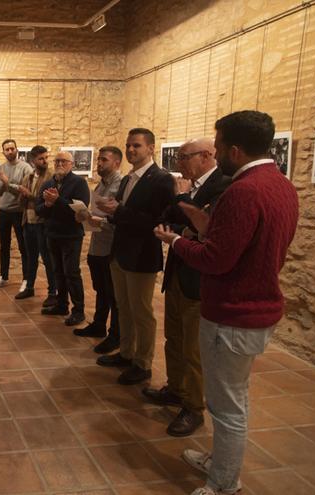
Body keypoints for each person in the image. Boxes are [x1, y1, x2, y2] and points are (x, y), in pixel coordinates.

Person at [153, 111, 298, 495]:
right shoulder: (281, 184)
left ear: (235, 149)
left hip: (234, 313)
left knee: (227, 407)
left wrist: (177, 243)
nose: (215, 154)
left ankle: (223, 483)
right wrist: (206, 226)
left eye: (217, 147)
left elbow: (215, 259)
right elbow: (255, 243)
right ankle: (219, 461)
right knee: (231, 397)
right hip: (256, 308)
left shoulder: (243, 190)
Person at [145, 138, 232, 437]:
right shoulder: (188, 186)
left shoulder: (222, 185)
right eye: (178, 156)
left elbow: (205, 226)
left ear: (207, 156)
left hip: (199, 278)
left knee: (194, 348)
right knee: (174, 337)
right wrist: (180, 217)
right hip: (179, 271)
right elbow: (170, 219)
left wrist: (184, 203)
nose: (179, 162)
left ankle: (194, 407)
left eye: (184, 156)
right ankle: (176, 388)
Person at [93, 128, 174, 385]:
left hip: (141, 254)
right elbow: (122, 214)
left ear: (151, 148)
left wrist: (120, 211)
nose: (130, 150)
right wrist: (111, 211)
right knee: (123, 307)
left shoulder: (161, 179)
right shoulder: (128, 179)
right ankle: (127, 353)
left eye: (136, 146)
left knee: (141, 311)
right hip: (120, 251)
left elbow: (159, 221)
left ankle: (143, 363)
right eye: (128, 145)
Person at [74, 146, 123, 354]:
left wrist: (98, 220)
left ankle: (115, 335)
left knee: (114, 294)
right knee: (100, 289)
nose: (99, 163)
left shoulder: (121, 185)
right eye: (99, 160)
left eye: (104, 160)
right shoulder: (101, 185)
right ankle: (99, 324)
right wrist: (84, 216)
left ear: (117, 163)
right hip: (97, 244)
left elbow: (118, 218)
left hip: (111, 246)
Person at [35, 151, 90, 326]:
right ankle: (61, 304)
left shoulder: (79, 183)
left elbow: (81, 210)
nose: (59, 164)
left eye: (63, 161)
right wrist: (47, 204)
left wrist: (57, 201)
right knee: (57, 271)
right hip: (52, 233)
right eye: (57, 161)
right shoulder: (48, 183)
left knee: (71, 272)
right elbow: (38, 210)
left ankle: (78, 310)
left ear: (71, 164)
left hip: (71, 235)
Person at [17, 145, 56, 305]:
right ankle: (29, 287)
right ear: (33, 160)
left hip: (42, 223)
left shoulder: (51, 177)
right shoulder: (29, 176)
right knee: (30, 257)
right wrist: (22, 195)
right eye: (41, 158)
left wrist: (29, 195)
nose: (45, 161)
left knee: (47, 259)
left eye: (46, 157)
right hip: (28, 221)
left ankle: (53, 291)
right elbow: (21, 203)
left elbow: (46, 200)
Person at [0, 139, 32, 289]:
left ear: (17, 149)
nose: (10, 151)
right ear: (3, 152)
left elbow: (26, 190)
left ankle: (26, 279)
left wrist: (8, 184)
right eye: (7, 149)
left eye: (12, 149)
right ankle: (3, 276)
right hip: (3, 211)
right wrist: (3, 183)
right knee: (4, 245)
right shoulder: (0, 168)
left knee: (23, 246)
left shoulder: (25, 167)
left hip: (19, 211)